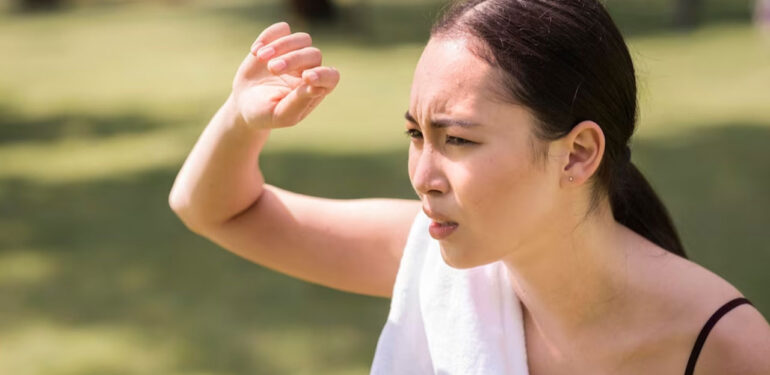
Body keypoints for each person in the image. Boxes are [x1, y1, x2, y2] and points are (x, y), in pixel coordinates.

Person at [169, 0, 770, 373]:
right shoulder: (432, 263)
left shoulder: (727, 349)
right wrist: (239, 120)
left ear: (578, 154)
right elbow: (213, 209)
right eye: (415, 135)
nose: (423, 177)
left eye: (457, 140)